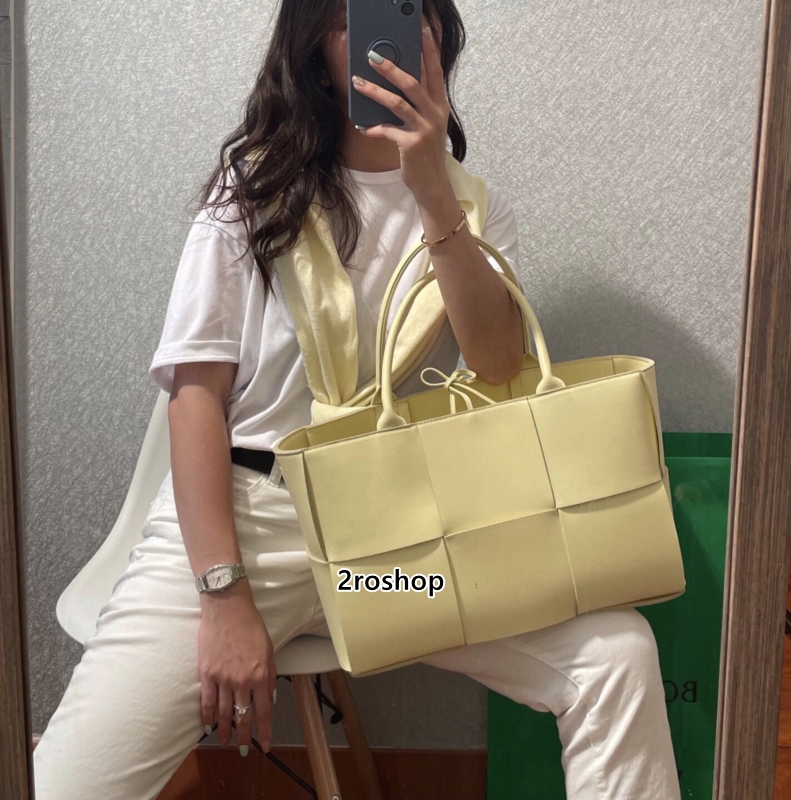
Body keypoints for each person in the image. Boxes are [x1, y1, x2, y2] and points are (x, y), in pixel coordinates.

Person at [33, 1, 682, 798]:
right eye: (352, 14)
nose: (389, 38)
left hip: (393, 561)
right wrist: (224, 598)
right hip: (250, 532)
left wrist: (431, 192)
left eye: (408, 8)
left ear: (438, 33)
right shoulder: (253, 194)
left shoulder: (473, 208)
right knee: (64, 786)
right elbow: (195, 400)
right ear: (315, 47)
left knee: (615, 653)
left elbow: (499, 365)